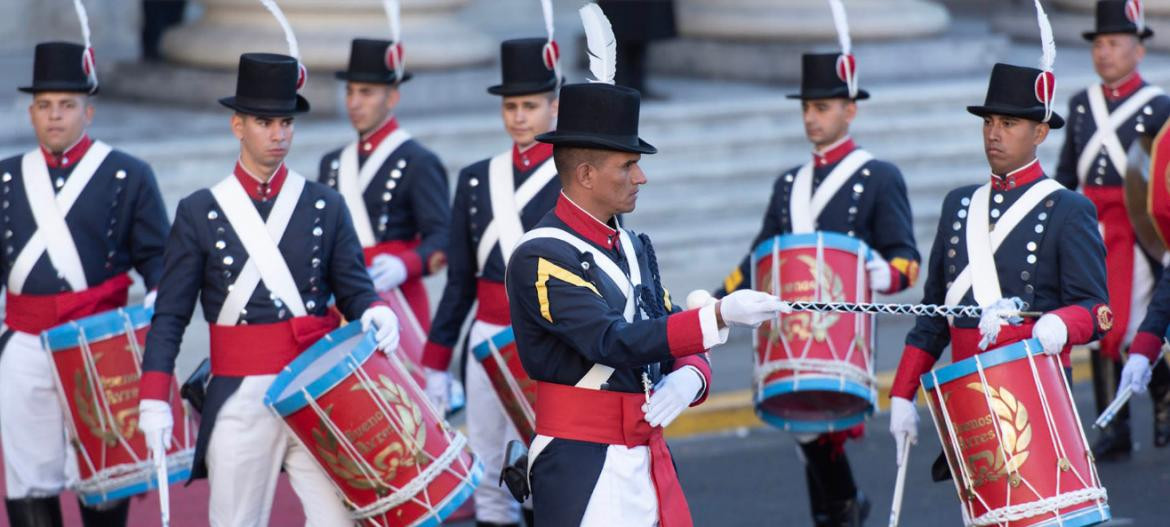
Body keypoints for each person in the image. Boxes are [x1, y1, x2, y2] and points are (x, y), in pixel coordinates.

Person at [136, 52, 400, 526]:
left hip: (317, 387)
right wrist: (155, 394)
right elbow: (171, 315)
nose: (278, 134)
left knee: (338, 521)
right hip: (240, 392)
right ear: (238, 125)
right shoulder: (200, 211)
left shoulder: (325, 204)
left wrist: (376, 309)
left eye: (286, 122)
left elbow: (354, 289)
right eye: (264, 122)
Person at [714, 49, 919, 526]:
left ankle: (843, 506)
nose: (811, 117)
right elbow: (760, 252)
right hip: (788, 329)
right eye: (806, 107)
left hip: (842, 332)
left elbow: (905, 260)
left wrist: (881, 272)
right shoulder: (790, 183)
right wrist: (719, 297)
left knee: (814, 424)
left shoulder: (879, 176)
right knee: (801, 422)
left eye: (822, 107)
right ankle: (840, 509)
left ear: (851, 110)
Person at [890, 62, 1110, 481]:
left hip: (1034, 393)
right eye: (989, 121)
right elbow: (934, 314)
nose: (993, 133)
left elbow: (1096, 310)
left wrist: (1061, 325)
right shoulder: (959, 206)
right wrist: (902, 393)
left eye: (1009, 122)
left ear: (1040, 133)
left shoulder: (1067, 209)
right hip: (970, 405)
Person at [0, 40, 170, 527]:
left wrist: (160, 295)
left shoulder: (129, 174)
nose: (55, 116)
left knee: (104, 476)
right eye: (44, 105)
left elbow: (158, 255)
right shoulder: (7, 178)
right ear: (32, 112)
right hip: (25, 342)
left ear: (88, 112)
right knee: (28, 477)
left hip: (102, 342)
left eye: (67, 105)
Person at [420, 37, 561, 527]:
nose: (519, 116)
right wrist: (436, 360)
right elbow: (460, 280)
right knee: (488, 464)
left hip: (553, 338)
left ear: (554, 106)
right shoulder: (477, 179)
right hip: (486, 339)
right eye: (510, 106)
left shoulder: (577, 178)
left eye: (530, 105)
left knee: (552, 464)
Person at [1055, 0, 1170, 457]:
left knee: (1132, 328)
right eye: (1098, 44)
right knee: (1095, 323)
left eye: (1114, 43)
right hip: (1091, 228)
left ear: (1138, 50)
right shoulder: (1081, 104)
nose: (1104, 53)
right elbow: (1068, 170)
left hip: (1138, 232)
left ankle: (1162, 398)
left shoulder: (1159, 105)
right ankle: (1114, 427)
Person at [319, 38, 450, 334]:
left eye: (366, 92)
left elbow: (443, 236)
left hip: (398, 295)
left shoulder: (419, 160)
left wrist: (405, 265)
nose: (354, 102)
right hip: (343, 294)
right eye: (350, 91)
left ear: (392, 98)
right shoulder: (333, 162)